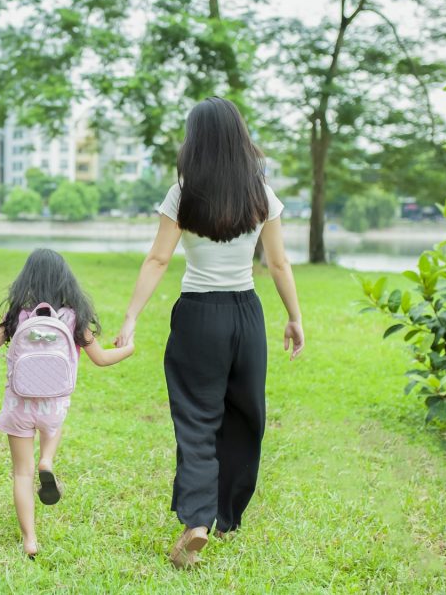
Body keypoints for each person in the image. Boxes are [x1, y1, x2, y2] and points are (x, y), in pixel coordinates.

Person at [114, 97, 304, 569]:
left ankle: (197, 520)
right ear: (239, 135)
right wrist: (294, 316)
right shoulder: (261, 192)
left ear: (195, 139)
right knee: (244, 416)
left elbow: (158, 258)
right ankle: (225, 515)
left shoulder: (184, 192)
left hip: (199, 315)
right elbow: (277, 262)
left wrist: (133, 317)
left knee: (197, 419)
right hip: (247, 315)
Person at [0, 248, 134, 559]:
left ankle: (30, 539)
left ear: (26, 280)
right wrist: (129, 348)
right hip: (53, 407)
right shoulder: (73, 317)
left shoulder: (17, 316)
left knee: (21, 473)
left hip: (19, 405)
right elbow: (102, 359)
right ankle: (48, 460)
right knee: (52, 424)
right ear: (65, 280)